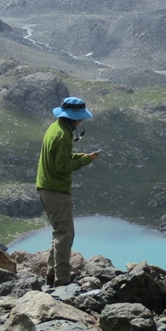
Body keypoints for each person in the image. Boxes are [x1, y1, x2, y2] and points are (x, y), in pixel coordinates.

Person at [36, 96, 99, 287]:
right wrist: (84, 161)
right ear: (73, 118)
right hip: (56, 191)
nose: (81, 122)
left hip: (46, 188)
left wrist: (81, 156)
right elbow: (62, 166)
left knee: (59, 233)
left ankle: (52, 275)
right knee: (65, 235)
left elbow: (60, 157)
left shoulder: (55, 128)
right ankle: (62, 281)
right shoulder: (63, 135)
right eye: (79, 119)